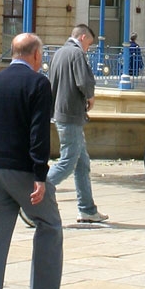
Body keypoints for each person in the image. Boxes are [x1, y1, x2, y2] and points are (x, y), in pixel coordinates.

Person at [0, 32, 71, 289]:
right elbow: (38, 131)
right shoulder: (38, 83)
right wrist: (40, 175)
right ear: (35, 56)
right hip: (21, 169)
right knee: (49, 223)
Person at [47, 24, 108, 224]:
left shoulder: (59, 53)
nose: (88, 48)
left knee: (82, 163)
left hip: (60, 113)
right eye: (88, 44)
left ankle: (87, 209)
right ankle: (36, 192)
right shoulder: (76, 54)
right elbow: (84, 81)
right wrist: (90, 97)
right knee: (68, 162)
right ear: (82, 37)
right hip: (71, 115)